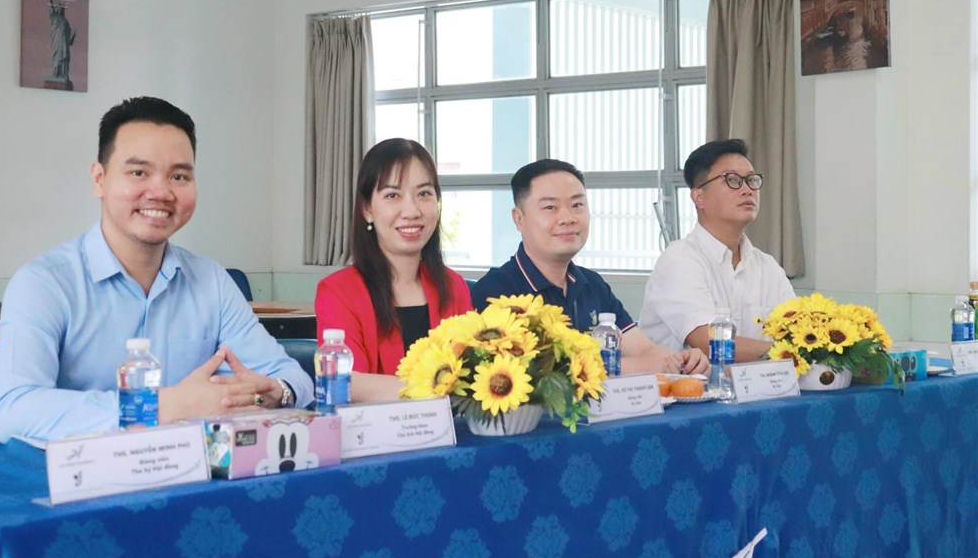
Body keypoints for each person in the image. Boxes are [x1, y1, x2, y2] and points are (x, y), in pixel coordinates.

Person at [0, 97, 313, 444]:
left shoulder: (211, 281)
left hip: (191, 470)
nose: (161, 192)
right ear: (99, 179)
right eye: (138, 173)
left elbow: (290, 377)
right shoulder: (44, 283)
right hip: (76, 473)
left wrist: (275, 392)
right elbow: (13, 411)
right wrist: (165, 406)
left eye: (178, 176)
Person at [471, 159, 708, 376]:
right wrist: (635, 366)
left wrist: (682, 361)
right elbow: (535, 375)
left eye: (577, 205)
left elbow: (644, 350)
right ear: (519, 219)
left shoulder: (592, 284)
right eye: (550, 208)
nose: (568, 218)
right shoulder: (496, 292)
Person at [315, 138, 473, 401]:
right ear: (367, 209)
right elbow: (347, 382)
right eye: (392, 195)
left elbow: (474, 371)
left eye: (424, 194)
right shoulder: (338, 292)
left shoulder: (453, 286)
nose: (411, 211)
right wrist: (437, 389)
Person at [639, 139, 795, 362]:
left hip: (757, 384)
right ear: (699, 197)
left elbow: (796, 331)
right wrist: (790, 354)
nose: (747, 190)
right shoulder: (679, 260)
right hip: (685, 384)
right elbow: (709, 342)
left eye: (752, 180)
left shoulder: (768, 267)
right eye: (732, 180)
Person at [46, 0, 77, 83]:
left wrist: (73, 34)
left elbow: (69, 41)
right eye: (59, 8)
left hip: (64, 44)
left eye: (62, 8)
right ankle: (56, 74)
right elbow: (51, 3)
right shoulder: (55, 17)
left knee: (65, 59)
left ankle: (64, 76)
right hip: (57, 42)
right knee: (57, 58)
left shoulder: (66, 22)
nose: (61, 9)